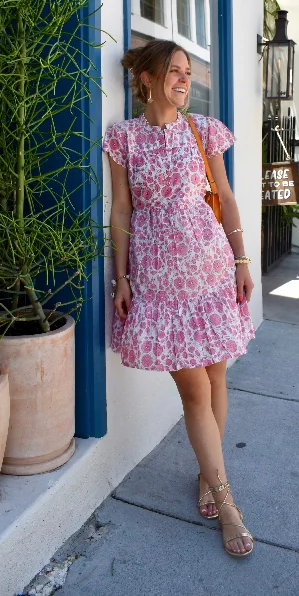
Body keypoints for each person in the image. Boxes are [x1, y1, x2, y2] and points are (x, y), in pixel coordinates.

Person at [102, 39, 255, 557]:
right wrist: (121, 277)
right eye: (173, 72)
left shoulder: (204, 130)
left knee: (216, 376)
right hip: (160, 284)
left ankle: (206, 475)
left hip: (210, 270)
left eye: (188, 73)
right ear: (147, 78)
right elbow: (120, 211)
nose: (184, 81)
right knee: (194, 392)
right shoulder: (123, 138)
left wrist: (241, 262)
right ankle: (227, 500)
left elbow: (227, 200)